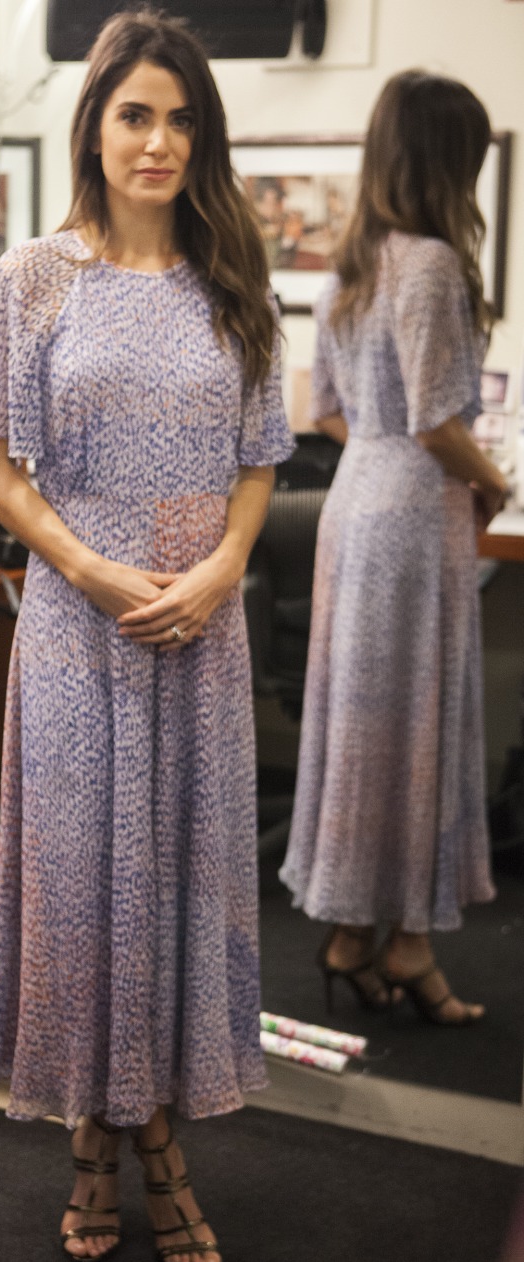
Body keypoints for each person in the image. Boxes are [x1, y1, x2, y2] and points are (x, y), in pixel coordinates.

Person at [0, 7, 293, 1262]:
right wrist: (96, 572)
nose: (158, 141)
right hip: (77, 626)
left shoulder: (231, 276)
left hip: (199, 629)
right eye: (135, 115)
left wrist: (216, 570)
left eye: (180, 118)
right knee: (84, 890)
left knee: (182, 888)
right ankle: (103, 1147)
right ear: (94, 124)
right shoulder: (33, 278)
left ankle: (161, 1141)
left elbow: (259, 462)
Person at [279, 70, 508, 1025]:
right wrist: (494, 480)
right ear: (446, 159)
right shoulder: (434, 267)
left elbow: (325, 412)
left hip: (353, 504)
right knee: (416, 726)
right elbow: (435, 425)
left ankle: (352, 933)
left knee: (363, 727)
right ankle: (407, 941)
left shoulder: (350, 266)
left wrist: (387, 445)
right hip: (416, 510)